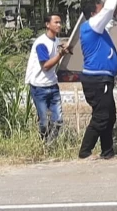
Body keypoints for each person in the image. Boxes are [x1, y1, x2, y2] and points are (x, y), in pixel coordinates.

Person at [78, 0, 117, 159]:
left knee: (109, 116)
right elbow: (109, 9)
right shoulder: (92, 25)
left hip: (102, 79)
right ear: (94, 13)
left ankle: (107, 152)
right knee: (101, 117)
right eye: (100, 9)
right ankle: (85, 152)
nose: (104, 12)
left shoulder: (99, 28)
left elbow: (112, 13)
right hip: (97, 79)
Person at [25, 13, 71, 144]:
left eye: (60, 22)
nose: (59, 25)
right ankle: (44, 144)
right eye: (56, 22)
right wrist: (61, 54)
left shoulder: (56, 41)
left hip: (52, 85)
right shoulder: (41, 43)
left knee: (58, 120)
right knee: (44, 122)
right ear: (47, 24)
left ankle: (49, 145)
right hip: (39, 87)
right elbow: (45, 66)